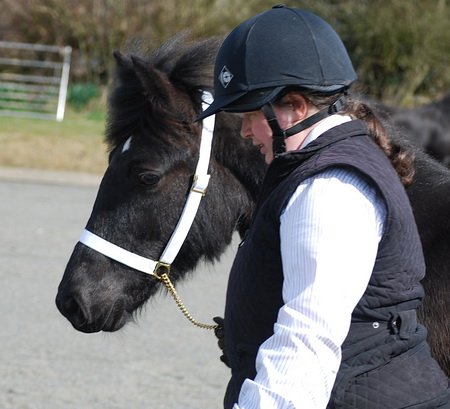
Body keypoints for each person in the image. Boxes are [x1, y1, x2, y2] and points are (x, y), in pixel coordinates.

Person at [196, 5, 450, 409]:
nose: (244, 131)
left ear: (295, 107)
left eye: (249, 114)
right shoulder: (318, 168)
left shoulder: (329, 189)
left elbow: (306, 339)